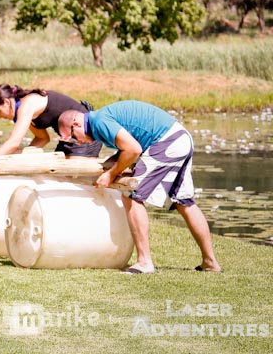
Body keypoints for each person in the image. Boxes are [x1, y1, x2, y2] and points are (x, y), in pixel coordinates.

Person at [58, 100, 222, 274]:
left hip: (167, 142)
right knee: (183, 201)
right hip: (180, 138)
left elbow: (133, 149)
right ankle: (210, 262)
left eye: (73, 137)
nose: (78, 143)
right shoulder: (99, 120)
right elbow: (130, 144)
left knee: (131, 194)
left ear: (76, 124)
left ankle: (144, 262)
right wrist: (114, 163)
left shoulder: (99, 122)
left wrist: (111, 174)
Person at [0, 84, 102, 158]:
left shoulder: (26, 105)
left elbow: (14, 142)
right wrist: (23, 155)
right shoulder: (25, 109)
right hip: (69, 139)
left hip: (86, 134)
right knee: (58, 174)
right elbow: (42, 138)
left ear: (6, 102)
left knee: (71, 177)